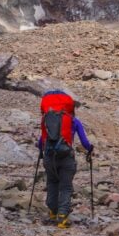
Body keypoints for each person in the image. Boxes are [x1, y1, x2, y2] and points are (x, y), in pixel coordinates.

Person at [37, 90, 93, 229]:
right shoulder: (73, 121)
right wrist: (90, 148)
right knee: (66, 187)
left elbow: (41, 141)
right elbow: (84, 142)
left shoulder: (47, 119)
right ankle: (62, 217)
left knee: (52, 183)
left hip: (49, 157)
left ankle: (52, 212)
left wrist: (41, 150)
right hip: (66, 157)